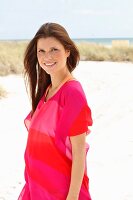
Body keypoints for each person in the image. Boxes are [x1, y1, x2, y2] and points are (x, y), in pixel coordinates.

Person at [18, 22, 93, 200]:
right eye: (41, 51)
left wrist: (72, 198)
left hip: (60, 191)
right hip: (37, 187)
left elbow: (79, 152)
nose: (47, 56)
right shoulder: (48, 89)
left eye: (54, 50)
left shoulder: (72, 93)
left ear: (67, 51)